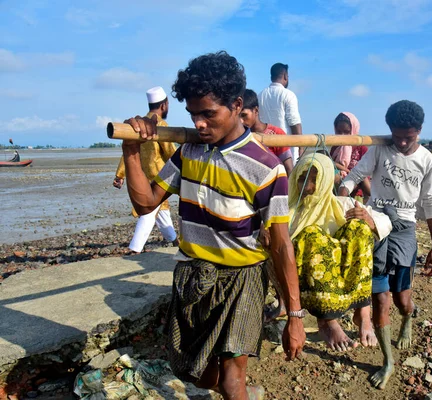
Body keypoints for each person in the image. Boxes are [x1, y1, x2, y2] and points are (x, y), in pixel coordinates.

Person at [120, 52, 305, 399]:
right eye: (193, 115)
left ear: (237, 106)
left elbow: (281, 245)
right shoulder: (189, 152)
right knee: (198, 373)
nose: (200, 124)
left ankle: (239, 391)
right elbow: (146, 202)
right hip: (194, 274)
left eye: (208, 114)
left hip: (243, 277)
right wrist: (132, 150)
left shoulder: (265, 168)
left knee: (233, 376)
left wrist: (294, 314)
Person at [339, 100, 432, 390]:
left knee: (401, 300)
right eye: (397, 136)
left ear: (419, 131)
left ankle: (408, 318)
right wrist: (344, 192)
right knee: (380, 299)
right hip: (374, 226)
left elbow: (430, 201)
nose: (403, 142)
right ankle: (388, 361)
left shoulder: (427, 160)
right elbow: (355, 176)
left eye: (409, 136)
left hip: (405, 231)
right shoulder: (381, 149)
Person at [264, 152, 391, 351]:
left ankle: (363, 312)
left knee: (360, 228)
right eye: (302, 179)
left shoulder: (343, 204)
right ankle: (327, 321)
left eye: (315, 179)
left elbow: (385, 222)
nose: (308, 187)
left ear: (326, 181)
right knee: (312, 236)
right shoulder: (287, 211)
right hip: (304, 284)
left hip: (344, 280)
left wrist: (369, 220)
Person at [113, 86, 178, 253]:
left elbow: (128, 150)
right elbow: (171, 152)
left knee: (161, 210)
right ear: (164, 105)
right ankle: (135, 247)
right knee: (150, 211)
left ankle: (174, 239)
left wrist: (120, 174)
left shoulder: (138, 126)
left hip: (139, 174)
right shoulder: (160, 125)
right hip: (158, 175)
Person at [240, 89, 293, 176]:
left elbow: (289, 169)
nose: (241, 121)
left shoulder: (276, 134)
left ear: (256, 111)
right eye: (238, 116)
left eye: (244, 115)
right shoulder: (239, 137)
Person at [258, 63, 302, 163]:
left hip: (265, 149)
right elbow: (294, 122)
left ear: (271, 77)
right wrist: (301, 146)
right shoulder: (288, 95)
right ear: (285, 76)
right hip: (286, 151)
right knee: (288, 177)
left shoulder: (260, 95)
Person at [330, 112, 371, 201]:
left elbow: (365, 175)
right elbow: (331, 164)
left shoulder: (362, 149)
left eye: (347, 132)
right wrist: (344, 170)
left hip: (356, 192)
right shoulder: (335, 147)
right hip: (337, 189)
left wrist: (350, 174)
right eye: (339, 132)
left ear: (353, 130)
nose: (342, 136)